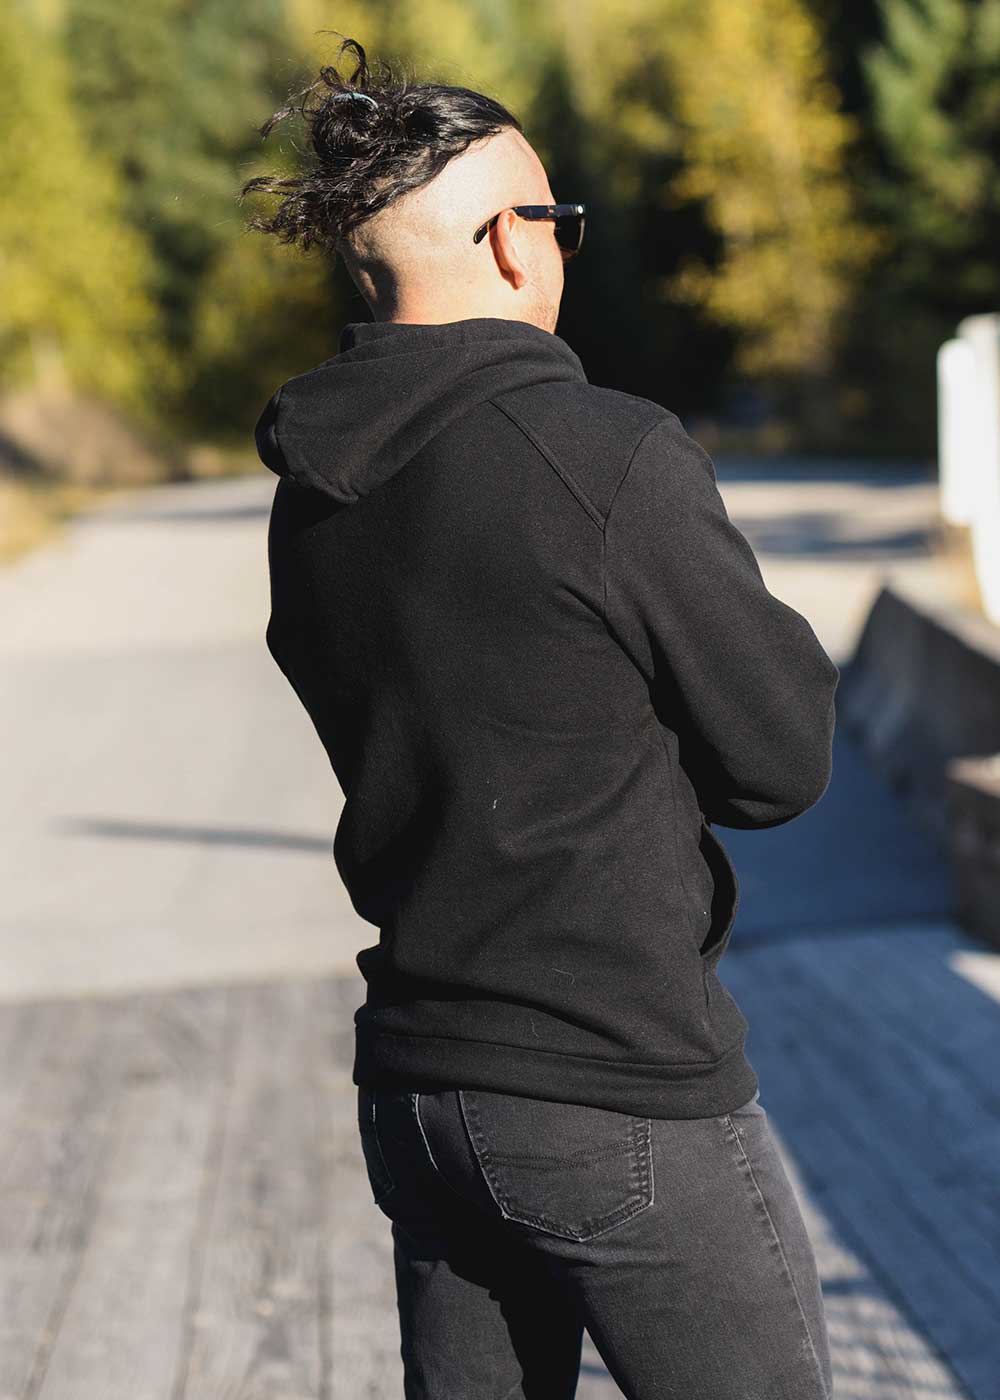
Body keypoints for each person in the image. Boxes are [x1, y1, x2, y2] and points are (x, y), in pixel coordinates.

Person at [247, 35, 839, 1400]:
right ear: (511, 245)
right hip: (616, 1088)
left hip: (420, 1089)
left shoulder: (312, 490)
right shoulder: (602, 452)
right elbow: (782, 759)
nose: (565, 246)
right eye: (560, 218)